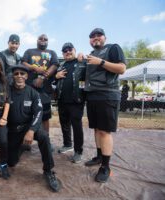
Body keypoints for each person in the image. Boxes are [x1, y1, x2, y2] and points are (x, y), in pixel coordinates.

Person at [79, 28, 126, 183]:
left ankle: (105, 166)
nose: (95, 38)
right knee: (97, 129)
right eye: (92, 36)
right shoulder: (91, 55)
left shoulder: (113, 48)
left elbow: (122, 69)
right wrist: (79, 59)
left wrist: (102, 62)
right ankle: (99, 156)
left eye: (98, 35)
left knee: (104, 132)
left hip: (107, 95)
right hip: (92, 95)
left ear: (105, 37)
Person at [7, 64, 60, 192]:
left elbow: (38, 113)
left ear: (26, 76)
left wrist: (31, 131)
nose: (19, 76)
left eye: (22, 73)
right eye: (16, 73)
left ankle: (48, 170)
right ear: (13, 76)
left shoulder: (33, 93)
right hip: (13, 130)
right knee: (11, 163)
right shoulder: (7, 91)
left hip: (28, 127)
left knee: (43, 136)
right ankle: (21, 146)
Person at [55, 42, 86, 163]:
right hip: (62, 100)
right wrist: (56, 76)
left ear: (74, 50)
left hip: (76, 102)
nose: (67, 52)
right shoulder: (61, 65)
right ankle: (67, 144)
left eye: (69, 49)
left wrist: (81, 94)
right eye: (65, 50)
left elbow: (84, 80)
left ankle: (78, 151)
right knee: (64, 125)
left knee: (77, 127)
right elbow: (54, 81)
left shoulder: (81, 63)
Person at [22, 34, 59, 134]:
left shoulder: (52, 52)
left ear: (48, 41)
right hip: (29, 89)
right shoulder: (29, 51)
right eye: (40, 38)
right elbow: (23, 63)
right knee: (27, 115)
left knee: (45, 117)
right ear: (37, 40)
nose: (43, 40)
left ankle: (45, 141)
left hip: (45, 90)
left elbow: (55, 65)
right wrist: (34, 68)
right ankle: (26, 141)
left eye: (45, 39)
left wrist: (42, 77)